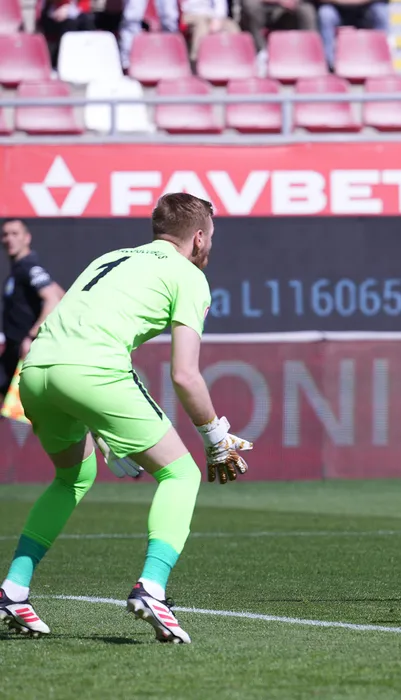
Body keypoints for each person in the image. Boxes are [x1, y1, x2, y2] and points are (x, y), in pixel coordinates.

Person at [0, 193, 253, 644]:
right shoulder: (189, 276)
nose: (210, 245)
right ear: (198, 238)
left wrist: (104, 433)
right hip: (92, 373)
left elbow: (73, 336)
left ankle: (14, 590)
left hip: (34, 373)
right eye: (211, 236)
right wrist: (215, 436)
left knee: (72, 478)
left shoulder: (111, 257)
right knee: (181, 473)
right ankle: (152, 588)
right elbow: (185, 375)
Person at [1, 220, 64, 400]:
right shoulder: (19, 269)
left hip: (27, 352)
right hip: (13, 351)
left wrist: (31, 336)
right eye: (5, 235)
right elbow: (61, 295)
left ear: (27, 238)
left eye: (15, 234)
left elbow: (53, 300)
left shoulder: (30, 267)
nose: (9, 239)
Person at [317, 0, 390, 69]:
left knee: (381, 11)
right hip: (337, 10)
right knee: (325, 14)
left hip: (366, 10)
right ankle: (330, 65)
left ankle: (382, 60)